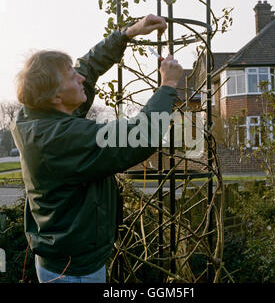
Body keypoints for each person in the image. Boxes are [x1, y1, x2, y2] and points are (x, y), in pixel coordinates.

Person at [10, 14, 183, 283]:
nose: (80, 78)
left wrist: (128, 33)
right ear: (56, 97)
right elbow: (140, 136)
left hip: (64, 260)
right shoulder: (60, 138)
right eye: (71, 77)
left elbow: (87, 68)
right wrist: (168, 86)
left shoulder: (39, 115)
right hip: (74, 272)